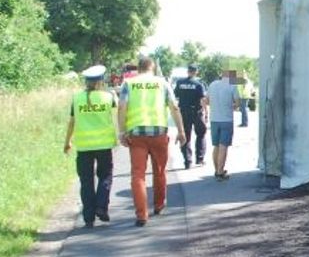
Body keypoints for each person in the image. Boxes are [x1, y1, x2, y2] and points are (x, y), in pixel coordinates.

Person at [117, 56, 187, 226]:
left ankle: (141, 215)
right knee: (160, 171)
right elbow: (174, 107)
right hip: (158, 133)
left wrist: (122, 132)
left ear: (138, 68)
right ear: (152, 68)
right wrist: (181, 131)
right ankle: (159, 205)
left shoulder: (129, 84)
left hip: (137, 134)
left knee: (138, 174)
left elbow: (122, 107)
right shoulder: (162, 83)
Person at [63, 65, 119, 228]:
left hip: (84, 146)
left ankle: (88, 217)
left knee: (86, 181)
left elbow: (72, 122)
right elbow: (117, 112)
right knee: (105, 176)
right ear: (101, 81)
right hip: (104, 144)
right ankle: (101, 206)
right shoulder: (108, 97)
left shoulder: (77, 98)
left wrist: (67, 142)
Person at [173, 64, 208, 169]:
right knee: (201, 134)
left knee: (185, 136)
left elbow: (175, 95)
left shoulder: (180, 83)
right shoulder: (198, 84)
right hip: (196, 112)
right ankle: (200, 159)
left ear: (188, 71)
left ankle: (187, 161)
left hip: (184, 112)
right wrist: (206, 113)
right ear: (196, 72)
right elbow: (203, 100)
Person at [207, 68, 240, 180]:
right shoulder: (232, 86)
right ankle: (220, 172)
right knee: (223, 146)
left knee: (216, 146)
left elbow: (207, 100)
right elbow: (237, 103)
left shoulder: (212, 85)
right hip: (226, 120)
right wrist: (231, 106)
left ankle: (216, 170)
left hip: (214, 119)